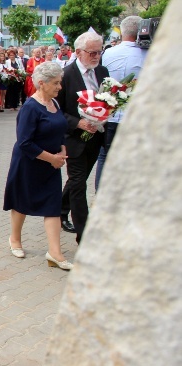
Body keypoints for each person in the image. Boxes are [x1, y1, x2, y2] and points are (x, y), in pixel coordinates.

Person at [3, 62, 73, 270]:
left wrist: (61, 150)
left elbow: (60, 130)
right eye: (56, 83)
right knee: (21, 202)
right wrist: (51, 158)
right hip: (29, 163)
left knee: (53, 206)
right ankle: (15, 239)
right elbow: (24, 142)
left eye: (60, 82)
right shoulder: (30, 108)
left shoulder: (55, 104)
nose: (60, 87)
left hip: (51, 164)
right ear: (41, 83)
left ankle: (55, 253)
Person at [57, 31, 110, 242]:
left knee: (78, 180)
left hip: (95, 137)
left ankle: (59, 210)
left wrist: (105, 114)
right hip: (74, 138)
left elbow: (108, 100)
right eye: (92, 52)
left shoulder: (102, 71)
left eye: (100, 51)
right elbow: (57, 110)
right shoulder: (65, 76)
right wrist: (78, 122)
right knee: (79, 184)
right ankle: (84, 234)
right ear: (78, 52)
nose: (97, 56)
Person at [96, 16, 147, 191]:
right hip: (136, 117)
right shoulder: (149, 53)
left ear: (122, 31)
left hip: (110, 115)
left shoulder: (107, 53)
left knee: (104, 157)